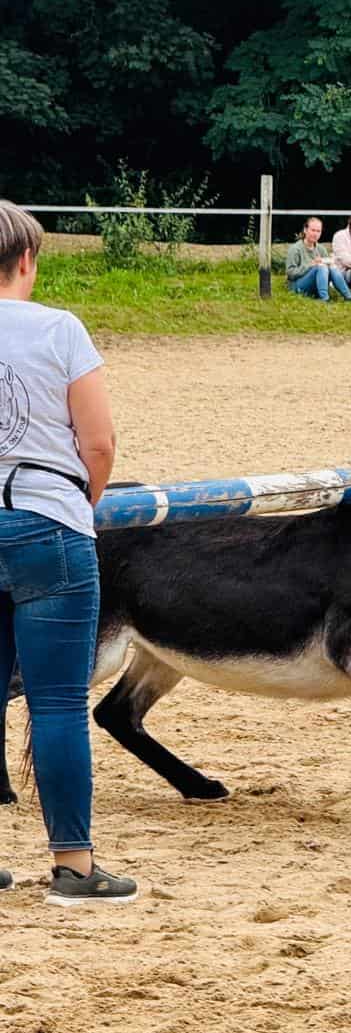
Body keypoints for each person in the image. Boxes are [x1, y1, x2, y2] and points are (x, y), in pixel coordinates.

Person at [0, 199, 137, 905]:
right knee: (56, 705)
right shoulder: (60, 329)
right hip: (46, 519)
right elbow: (99, 443)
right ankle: (74, 866)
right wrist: (80, 505)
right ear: (27, 258)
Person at [285, 217, 351, 302]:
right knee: (321, 267)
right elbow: (290, 273)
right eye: (313, 230)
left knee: (332, 267)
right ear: (305, 230)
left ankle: (349, 297)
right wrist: (310, 265)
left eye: (318, 231)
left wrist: (331, 263)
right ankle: (324, 299)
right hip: (298, 286)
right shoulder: (295, 249)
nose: (315, 234)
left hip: (317, 284)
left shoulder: (321, 249)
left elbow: (329, 270)